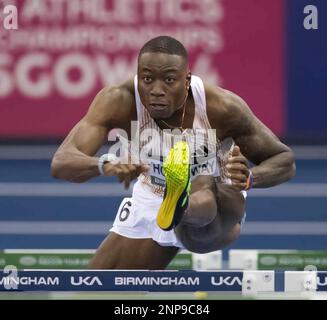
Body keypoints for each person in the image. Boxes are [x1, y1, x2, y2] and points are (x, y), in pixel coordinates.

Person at [51, 36, 296, 269]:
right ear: (138, 77)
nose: (156, 90)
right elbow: (62, 162)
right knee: (99, 289)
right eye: (147, 79)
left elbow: (284, 160)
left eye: (168, 80)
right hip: (152, 198)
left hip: (219, 205)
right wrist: (106, 164)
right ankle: (174, 204)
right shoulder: (119, 100)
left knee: (202, 188)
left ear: (186, 80)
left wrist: (250, 178)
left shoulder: (221, 108)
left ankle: (181, 205)